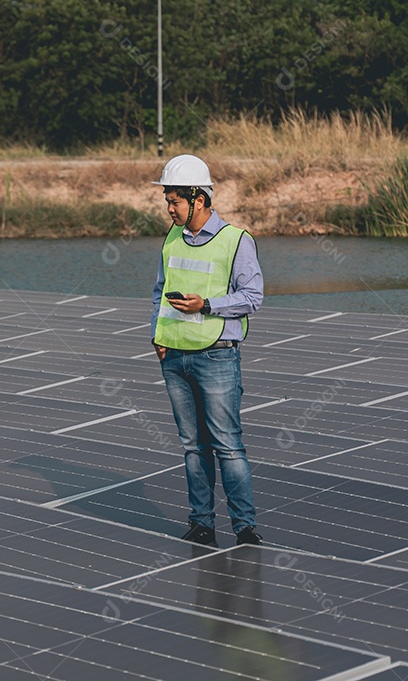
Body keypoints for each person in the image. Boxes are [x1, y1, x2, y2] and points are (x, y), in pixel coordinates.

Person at [150, 154, 263, 548]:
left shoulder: (236, 241)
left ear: (198, 199)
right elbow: (159, 292)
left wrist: (208, 305)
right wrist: (157, 338)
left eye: (175, 201)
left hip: (216, 355)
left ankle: (244, 529)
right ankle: (202, 523)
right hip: (175, 357)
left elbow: (253, 297)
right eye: (167, 200)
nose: (169, 208)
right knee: (192, 448)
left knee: (227, 446)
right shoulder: (170, 238)